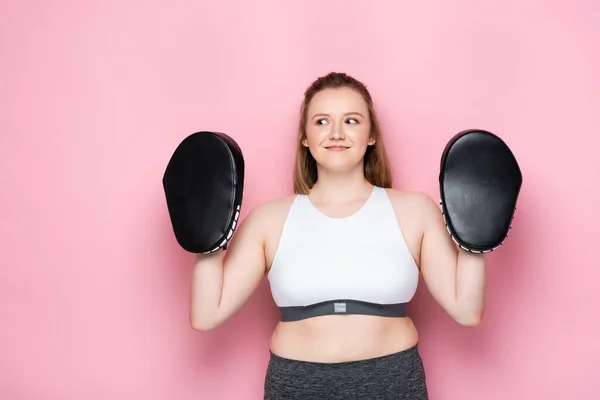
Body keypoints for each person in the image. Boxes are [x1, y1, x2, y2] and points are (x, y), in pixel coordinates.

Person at [189, 72, 487, 399]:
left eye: (351, 120)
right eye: (321, 122)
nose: (336, 133)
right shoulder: (268, 220)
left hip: (391, 381)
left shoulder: (415, 210)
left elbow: (465, 310)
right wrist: (209, 238)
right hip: (297, 383)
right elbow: (206, 315)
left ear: (371, 134)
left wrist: (475, 235)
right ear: (304, 137)